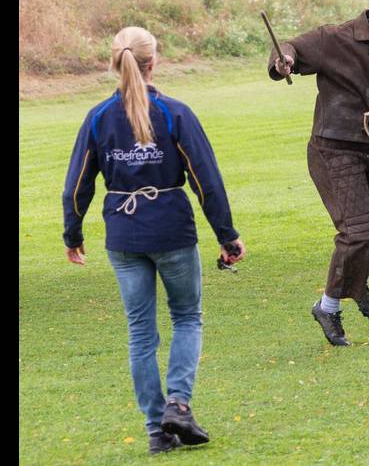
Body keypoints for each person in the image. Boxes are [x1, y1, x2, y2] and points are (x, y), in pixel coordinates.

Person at [62, 26, 246, 455]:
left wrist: (72, 233)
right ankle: (178, 405)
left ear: (114, 62)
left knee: (140, 333)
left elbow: (76, 186)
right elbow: (207, 181)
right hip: (171, 229)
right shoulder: (174, 113)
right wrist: (228, 235)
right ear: (153, 62)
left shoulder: (98, 117)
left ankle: (155, 429)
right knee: (186, 317)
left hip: (123, 236)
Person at [268, 0, 369, 346]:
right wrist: (283, 61)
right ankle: (329, 307)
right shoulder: (335, 39)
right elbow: (290, 50)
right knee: (359, 231)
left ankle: (355, 281)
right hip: (333, 149)